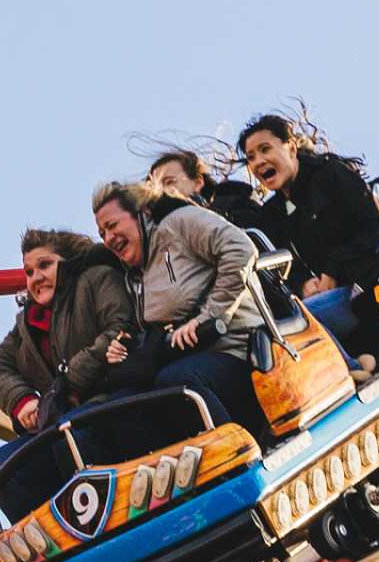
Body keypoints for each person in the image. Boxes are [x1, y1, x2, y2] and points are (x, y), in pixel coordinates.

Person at [89, 179, 267, 438]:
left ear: (143, 213)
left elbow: (240, 249)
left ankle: (235, 454)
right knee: (121, 405)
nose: (107, 238)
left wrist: (210, 315)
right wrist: (126, 346)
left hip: (241, 350)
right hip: (188, 361)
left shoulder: (179, 224)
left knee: (176, 384)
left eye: (112, 225)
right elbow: (154, 328)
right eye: (101, 233)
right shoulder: (136, 278)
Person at [228, 108, 379, 369]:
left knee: (295, 327)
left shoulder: (330, 174)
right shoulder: (274, 215)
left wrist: (333, 268)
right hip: (334, 293)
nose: (258, 161)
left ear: (291, 148)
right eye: (251, 157)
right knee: (278, 330)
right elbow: (287, 267)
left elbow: (376, 227)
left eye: (266, 149)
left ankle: (357, 366)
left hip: (370, 281)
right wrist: (304, 284)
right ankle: (354, 367)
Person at [0, 229, 136, 444]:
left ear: (68, 263)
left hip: (111, 397)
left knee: (67, 436)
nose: (36, 278)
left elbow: (120, 327)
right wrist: (22, 400)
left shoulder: (97, 280)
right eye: (29, 272)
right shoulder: (29, 323)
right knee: (2, 461)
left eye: (45, 265)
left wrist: (68, 382)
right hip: (59, 417)